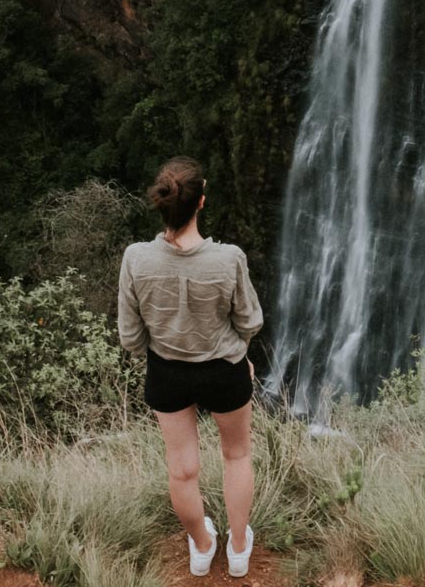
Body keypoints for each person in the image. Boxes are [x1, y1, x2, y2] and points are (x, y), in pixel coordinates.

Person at [119, 157, 264, 578]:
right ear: (201, 202)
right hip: (224, 370)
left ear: (164, 205)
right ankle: (238, 550)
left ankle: (202, 546)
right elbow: (250, 322)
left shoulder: (136, 259)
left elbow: (131, 338)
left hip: (167, 373)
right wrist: (236, 353)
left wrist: (168, 348)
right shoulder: (229, 258)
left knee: (182, 470)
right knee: (236, 456)